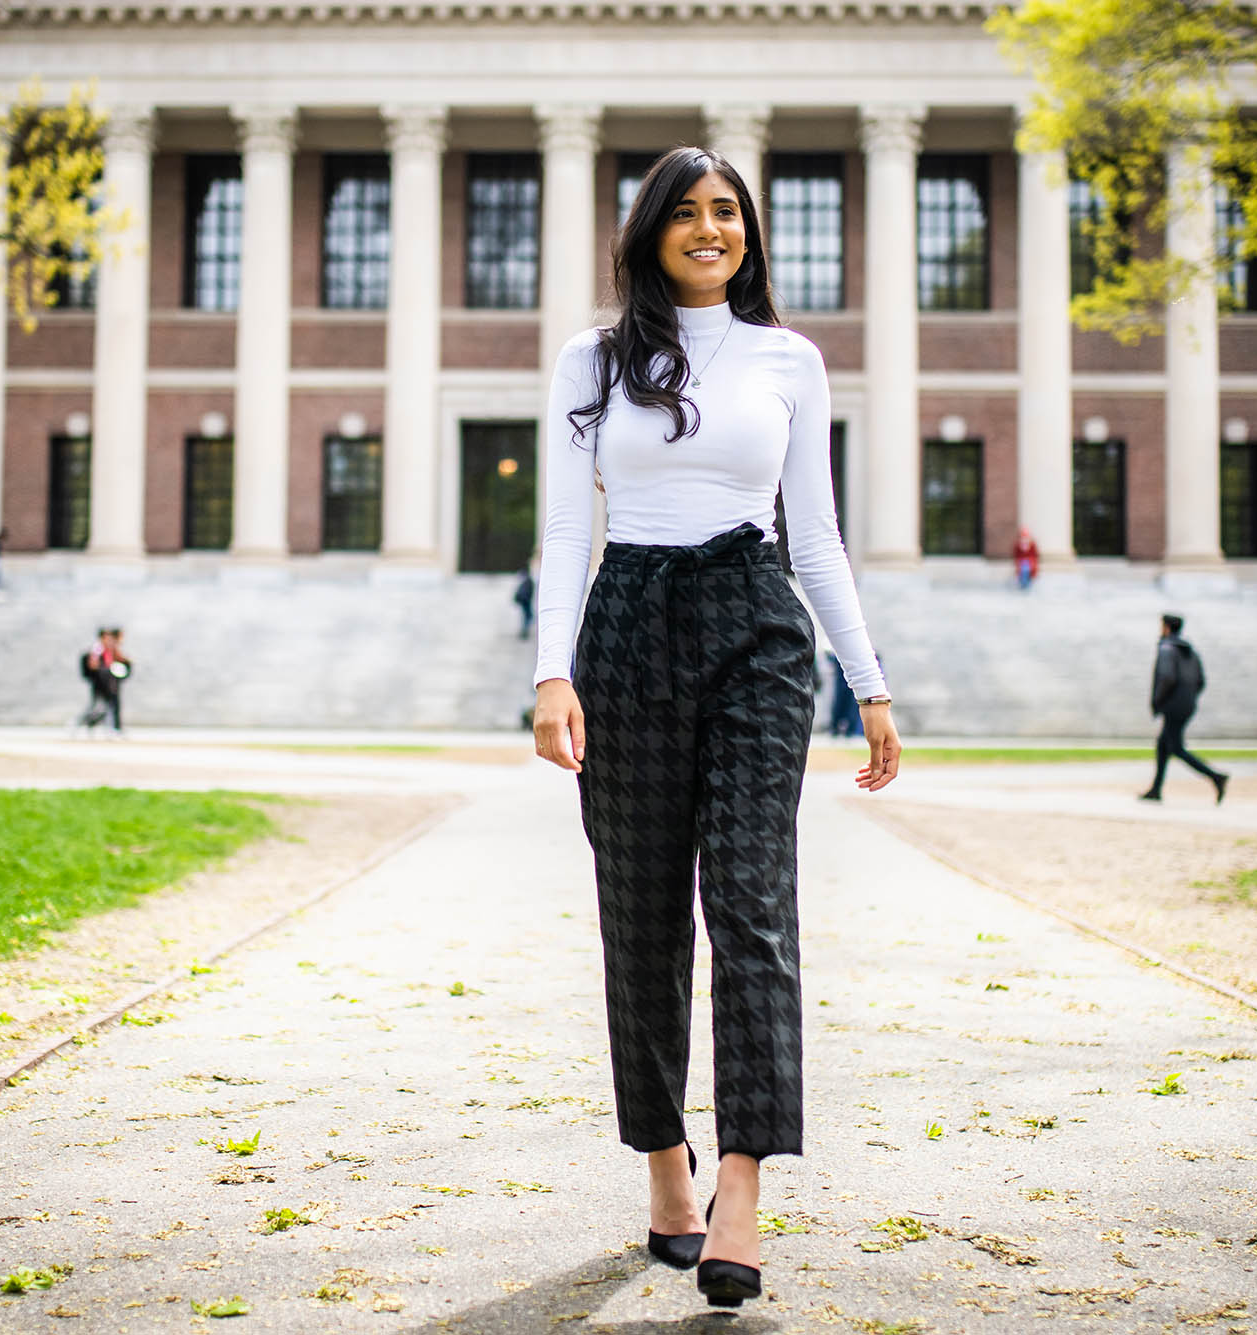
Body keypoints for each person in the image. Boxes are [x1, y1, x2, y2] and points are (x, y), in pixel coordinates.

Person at [530, 146, 901, 1312]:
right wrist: (551, 675)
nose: (707, 229)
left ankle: (740, 1184)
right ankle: (664, 1170)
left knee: (749, 904)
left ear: (748, 234)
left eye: (725, 212)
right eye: (684, 213)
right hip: (628, 620)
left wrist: (870, 682)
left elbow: (817, 534)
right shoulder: (592, 360)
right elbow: (558, 531)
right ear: (647, 234)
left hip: (754, 622)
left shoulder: (788, 360)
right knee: (639, 914)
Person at [1140, 613, 1227, 804]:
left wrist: (1158, 701)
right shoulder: (1191, 652)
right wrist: (1188, 698)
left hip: (1172, 704)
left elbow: (1166, 677)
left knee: (1176, 747)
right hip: (1187, 704)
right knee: (1163, 745)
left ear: (1166, 627)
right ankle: (1156, 788)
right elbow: (1201, 681)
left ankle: (1216, 777)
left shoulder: (1167, 648)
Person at [79, 627, 130, 734]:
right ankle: (86, 724)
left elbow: (120, 661)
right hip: (100, 683)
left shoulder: (111, 650)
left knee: (112, 706)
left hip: (111, 683)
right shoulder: (97, 649)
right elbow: (93, 665)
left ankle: (115, 728)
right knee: (98, 707)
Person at [513, 560, 537, 639]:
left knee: (527, 617)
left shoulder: (526, 581)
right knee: (527, 617)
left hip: (525, 601)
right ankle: (524, 632)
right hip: (526, 601)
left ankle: (524, 632)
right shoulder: (528, 581)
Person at [1012, 526, 1040, 591]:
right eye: (1023, 535)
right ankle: (1023, 583)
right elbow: (1016, 555)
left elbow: (1035, 554)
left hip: (1030, 561)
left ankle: (1027, 583)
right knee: (1023, 569)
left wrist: (1033, 561)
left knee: (1027, 568)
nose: (1024, 538)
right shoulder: (1018, 544)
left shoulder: (1032, 544)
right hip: (1021, 562)